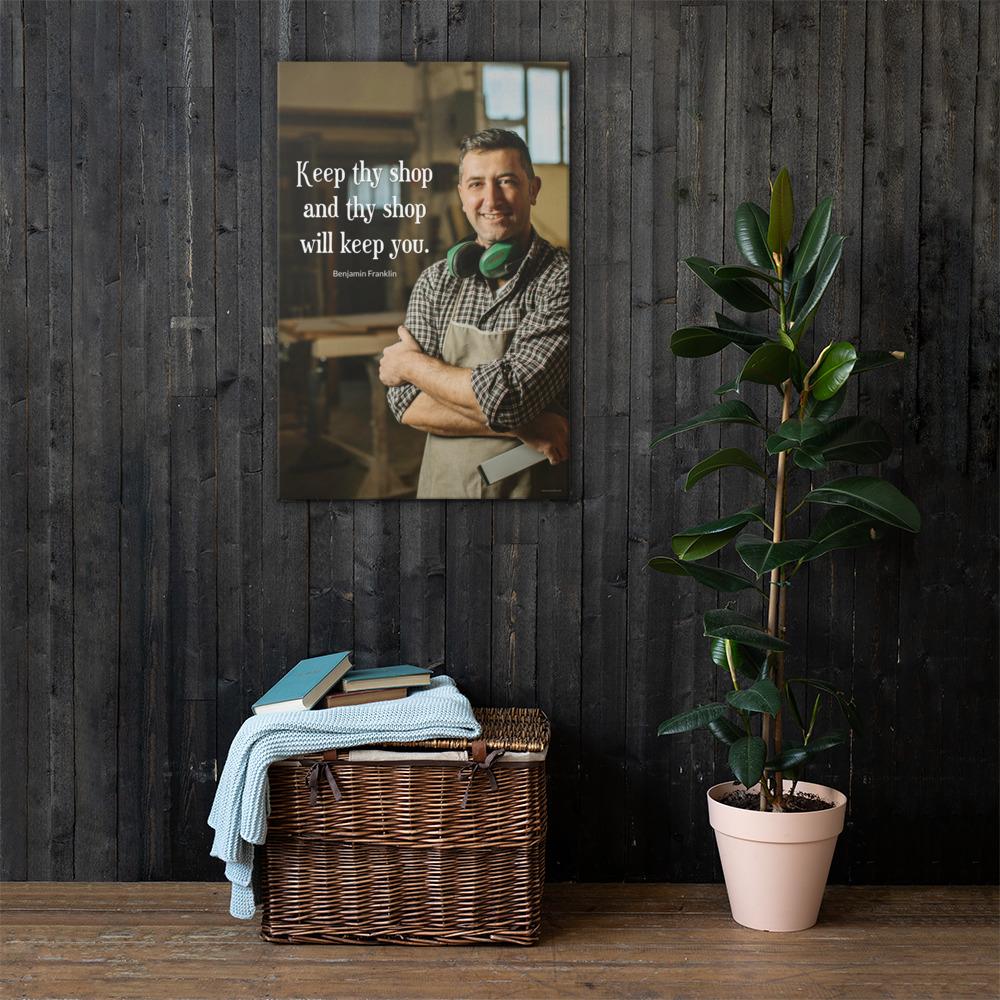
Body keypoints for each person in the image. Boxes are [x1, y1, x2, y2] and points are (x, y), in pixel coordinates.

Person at [379, 128, 569, 499]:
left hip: (527, 496)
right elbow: (404, 403)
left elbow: (512, 397)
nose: (491, 199)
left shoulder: (562, 279)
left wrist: (410, 366)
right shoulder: (436, 281)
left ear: (533, 188)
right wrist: (525, 428)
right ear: (462, 195)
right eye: (477, 184)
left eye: (507, 181)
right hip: (442, 489)